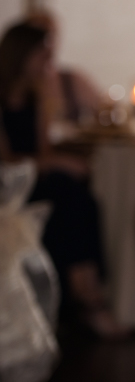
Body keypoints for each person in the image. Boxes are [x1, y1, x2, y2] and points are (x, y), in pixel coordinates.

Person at [0, 21, 124, 338]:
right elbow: (7, 160)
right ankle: (87, 296)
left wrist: (54, 162)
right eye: (42, 55)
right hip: (8, 184)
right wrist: (57, 162)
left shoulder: (36, 97)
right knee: (68, 193)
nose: (48, 63)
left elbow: (40, 150)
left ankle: (84, 290)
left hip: (33, 178)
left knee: (77, 196)